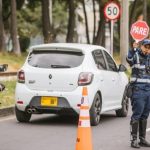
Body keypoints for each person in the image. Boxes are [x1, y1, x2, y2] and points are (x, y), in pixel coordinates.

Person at [126, 39, 150, 148]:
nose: (148, 49)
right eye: (146, 46)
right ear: (141, 46)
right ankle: (134, 140)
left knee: (145, 115)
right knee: (137, 114)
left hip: (148, 90)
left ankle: (142, 139)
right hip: (138, 90)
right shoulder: (135, 55)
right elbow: (129, 59)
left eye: (149, 47)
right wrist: (132, 49)